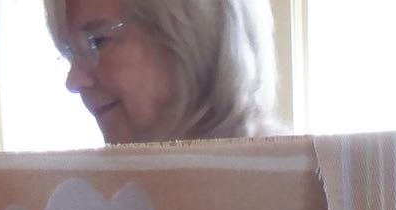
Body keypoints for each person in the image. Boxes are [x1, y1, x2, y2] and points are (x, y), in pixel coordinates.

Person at [46, 1, 278, 144]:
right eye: (70, 53)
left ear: (193, 29)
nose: (74, 81)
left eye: (98, 41)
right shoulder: (90, 198)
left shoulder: (289, 192)